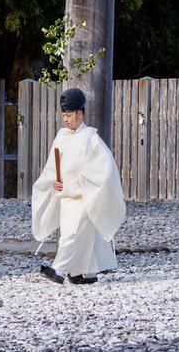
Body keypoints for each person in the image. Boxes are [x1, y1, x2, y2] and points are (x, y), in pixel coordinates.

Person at [32, 88, 126, 284]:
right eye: (64, 115)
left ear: (80, 114)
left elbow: (106, 168)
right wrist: (54, 181)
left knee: (73, 235)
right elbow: (52, 167)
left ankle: (59, 270)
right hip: (66, 197)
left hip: (85, 196)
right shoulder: (61, 137)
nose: (65, 119)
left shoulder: (91, 138)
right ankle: (85, 273)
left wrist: (86, 181)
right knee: (76, 234)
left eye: (69, 115)